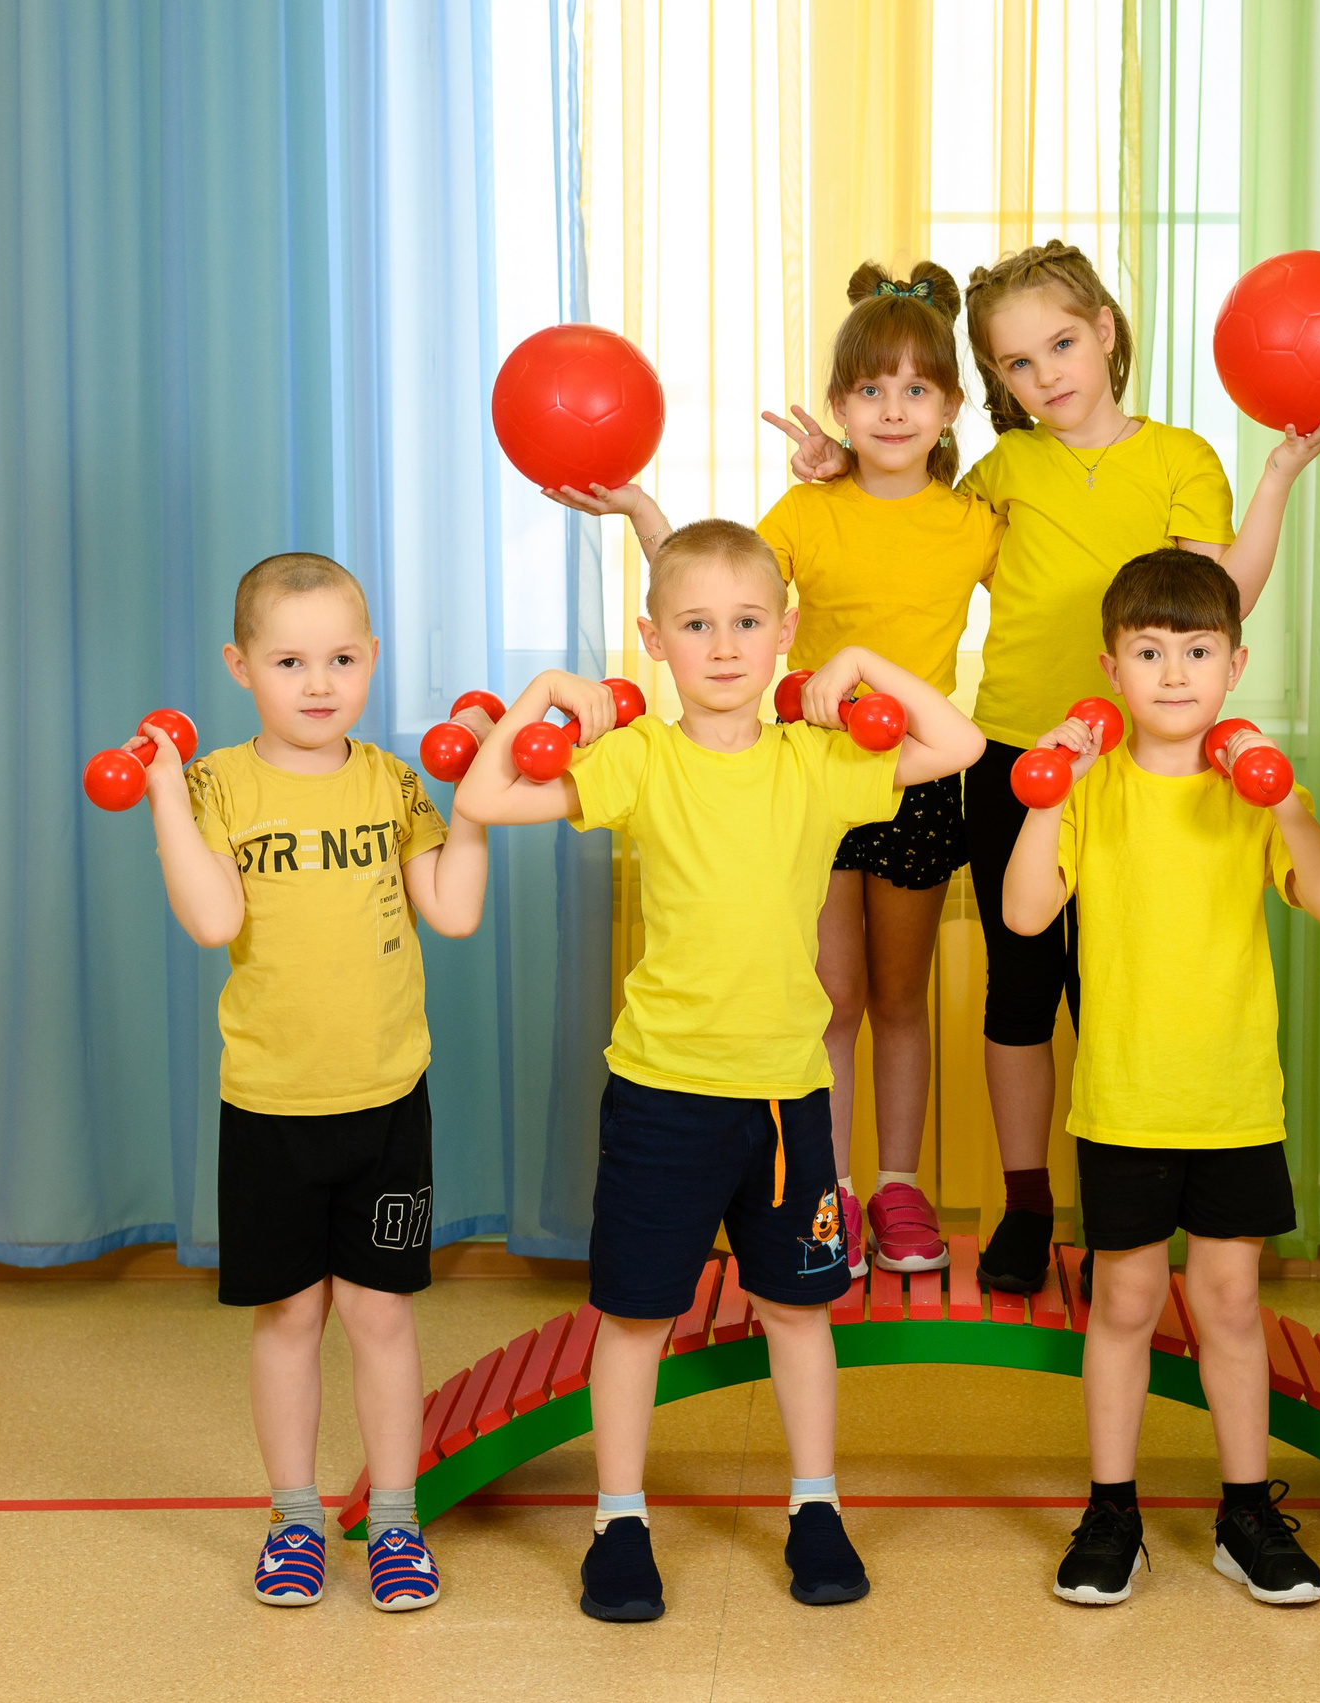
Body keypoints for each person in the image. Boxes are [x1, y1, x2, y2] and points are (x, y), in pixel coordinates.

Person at [783, 240, 1320, 1295]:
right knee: (1020, 985)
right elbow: (906, 502)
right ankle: (1024, 1202)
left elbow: (1217, 593)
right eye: (1016, 363)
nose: (1046, 373)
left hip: (1139, 765)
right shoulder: (1003, 473)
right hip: (1016, 754)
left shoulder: (1182, 457)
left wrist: (1277, 474)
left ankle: (1116, 1220)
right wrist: (838, 467)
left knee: (1114, 991)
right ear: (994, 385)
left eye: (1060, 344)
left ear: (1103, 330)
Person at [451, 519, 985, 1622]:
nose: (726, 645)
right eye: (696, 625)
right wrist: (549, 687)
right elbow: (489, 798)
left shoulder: (817, 760)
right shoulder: (641, 758)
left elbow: (961, 744)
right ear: (655, 639)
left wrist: (858, 666)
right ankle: (619, 1517)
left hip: (788, 1100)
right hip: (661, 1092)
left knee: (798, 1311)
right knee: (637, 1315)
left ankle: (814, 1502)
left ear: (782, 632)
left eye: (749, 623)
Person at [557, 261, 998, 1281]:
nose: (893, 409)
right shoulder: (804, 512)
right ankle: (828, 1185)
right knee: (828, 993)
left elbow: (1057, 592)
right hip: (809, 773)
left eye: (916, 389)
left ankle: (899, 1184)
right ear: (840, 405)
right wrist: (642, 514)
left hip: (915, 775)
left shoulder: (977, 520)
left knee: (900, 995)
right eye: (870, 390)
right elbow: (714, 593)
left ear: (949, 407)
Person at [999, 549, 1320, 1608]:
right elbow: (1025, 913)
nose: (1171, 673)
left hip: (1234, 1100)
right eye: (1148, 652)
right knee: (1123, 1298)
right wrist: (1043, 788)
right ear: (1111, 666)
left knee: (1231, 1300)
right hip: (1125, 1100)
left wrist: (1287, 801)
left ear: (1233, 664)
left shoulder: (1248, 790)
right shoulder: (1094, 790)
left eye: (1196, 651)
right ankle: (1112, 1508)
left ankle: (1244, 1510)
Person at [139, 552, 492, 1612]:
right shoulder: (216, 784)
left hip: (387, 1100)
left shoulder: (390, 779)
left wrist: (470, 805)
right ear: (240, 666)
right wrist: (163, 789)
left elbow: (455, 909)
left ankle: (393, 1520)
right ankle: (295, 1517)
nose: (318, 680)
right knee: (289, 1316)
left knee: (381, 1317)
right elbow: (212, 919)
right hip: (271, 1107)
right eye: (290, 659)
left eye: (341, 656)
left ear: (372, 658)